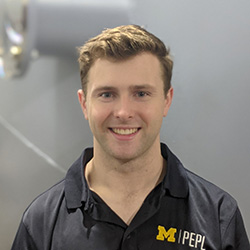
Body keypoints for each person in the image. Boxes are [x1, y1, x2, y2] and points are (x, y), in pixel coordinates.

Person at [12, 25, 249, 250]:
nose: (124, 112)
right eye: (107, 94)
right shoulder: (40, 223)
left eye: (141, 93)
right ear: (84, 104)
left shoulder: (218, 217)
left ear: (166, 100)